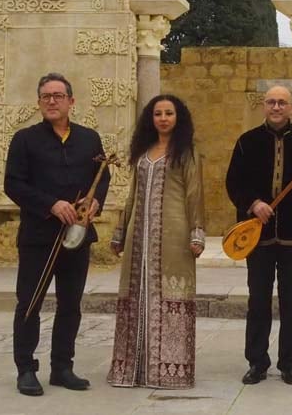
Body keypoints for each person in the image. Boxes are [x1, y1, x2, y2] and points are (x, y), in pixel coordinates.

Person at [5, 72, 110, 396]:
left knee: (70, 304)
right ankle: (26, 369)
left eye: (58, 96)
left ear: (71, 102)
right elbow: (14, 184)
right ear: (39, 103)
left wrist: (95, 202)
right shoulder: (24, 139)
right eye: (46, 96)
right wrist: (51, 204)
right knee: (30, 303)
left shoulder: (89, 138)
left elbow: (101, 175)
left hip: (77, 236)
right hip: (39, 236)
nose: (52, 101)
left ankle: (62, 367)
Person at [225, 85, 292, 386]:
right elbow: (234, 182)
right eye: (271, 102)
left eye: (282, 102)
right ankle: (257, 363)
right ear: (263, 105)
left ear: (291, 107)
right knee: (258, 300)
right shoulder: (247, 142)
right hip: (257, 237)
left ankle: (288, 363)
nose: (276, 107)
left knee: (291, 302)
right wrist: (253, 203)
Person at [107, 94, 205, 389]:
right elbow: (131, 195)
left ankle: (170, 371)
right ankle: (131, 370)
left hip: (173, 237)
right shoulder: (142, 153)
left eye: (169, 113)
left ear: (179, 118)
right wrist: (120, 232)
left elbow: (195, 194)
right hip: (139, 237)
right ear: (151, 118)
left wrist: (197, 232)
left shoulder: (186, 152)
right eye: (158, 113)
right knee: (135, 297)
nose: (163, 118)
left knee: (171, 298)